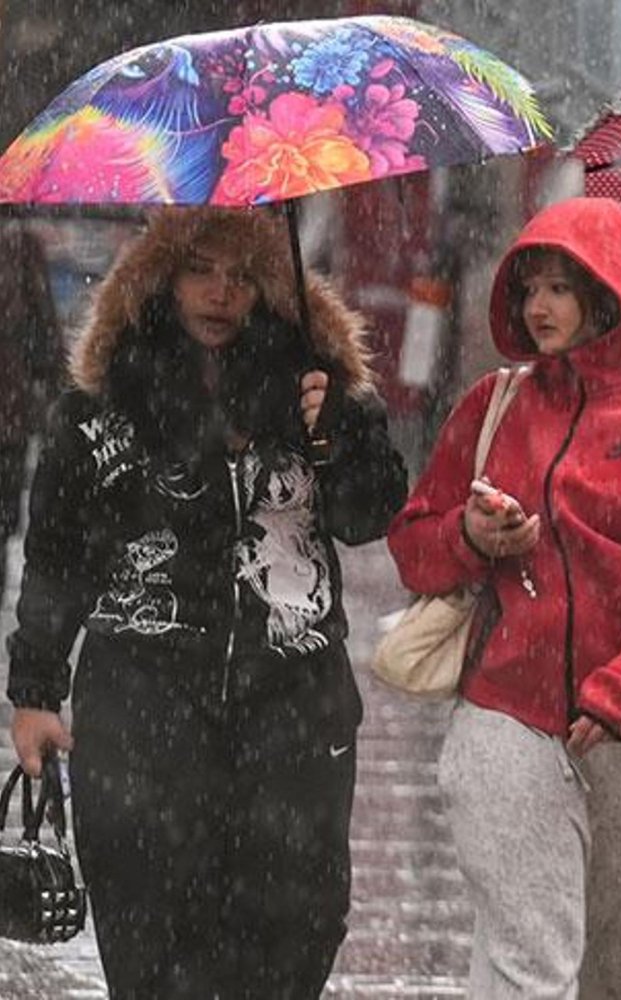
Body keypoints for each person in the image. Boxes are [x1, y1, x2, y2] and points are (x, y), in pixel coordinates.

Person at [5, 206, 408, 999]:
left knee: (300, 925)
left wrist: (332, 436)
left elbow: (371, 514)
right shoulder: (103, 407)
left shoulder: (318, 388)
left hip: (294, 711)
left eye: (244, 275)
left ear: (273, 288)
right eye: (201, 270)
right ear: (160, 279)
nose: (222, 293)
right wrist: (35, 692)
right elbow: (55, 555)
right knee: (152, 938)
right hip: (142, 714)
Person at [388, 195, 621, 999]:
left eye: (558, 287)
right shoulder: (493, 405)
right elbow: (414, 547)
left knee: (619, 973)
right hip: (504, 711)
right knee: (527, 964)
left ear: (607, 293)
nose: (538, 306)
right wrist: (472, 539)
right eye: (529, 288)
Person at [0, 222, 61, 592]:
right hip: (10, 408)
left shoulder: (20, 246)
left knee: (4, 516)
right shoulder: (19, 246)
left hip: (9, 411)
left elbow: (45, 338)